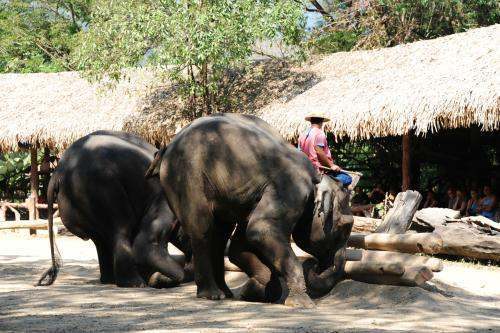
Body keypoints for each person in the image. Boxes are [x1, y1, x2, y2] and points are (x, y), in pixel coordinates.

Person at [298, 113, 352, 186]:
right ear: (322, 122)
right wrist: (331, 166)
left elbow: (299, 152)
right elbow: (319, 151)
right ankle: (329, 185)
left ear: (311, 121)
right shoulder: (319, 133)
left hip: (306, 167)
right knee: (347, 178)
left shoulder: (302, 135)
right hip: (318, 168)